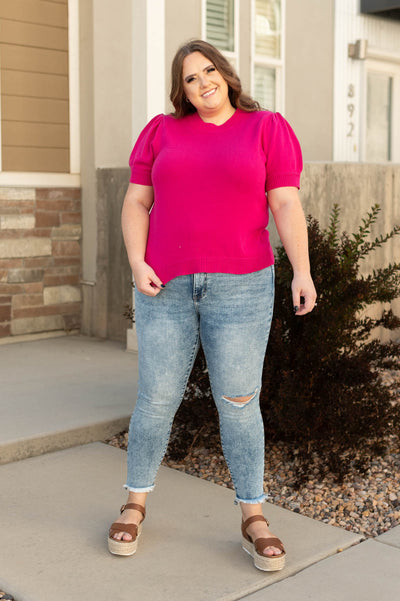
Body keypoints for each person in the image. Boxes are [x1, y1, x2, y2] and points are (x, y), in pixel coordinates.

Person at [108, 39, 317, 571]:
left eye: (209, 71)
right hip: (166, 286)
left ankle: (253, 517)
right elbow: (137, 200)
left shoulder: (267, 128)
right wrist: (137, 261)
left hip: (242, 286)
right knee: (156, 398)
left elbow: (285, 200)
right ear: (181, 90)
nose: (203, 83)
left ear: (225, 74)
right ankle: (134, 504)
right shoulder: (161, 131)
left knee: (239, 402)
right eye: (190, 78)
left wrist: (302, 270)